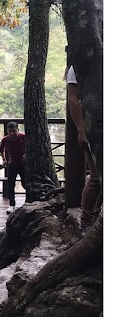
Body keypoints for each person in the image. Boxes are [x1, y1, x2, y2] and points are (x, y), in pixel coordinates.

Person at [66, 64, 101, 232]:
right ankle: (86, 224)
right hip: (92, 129)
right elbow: (73, 99)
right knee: (96, 178)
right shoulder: (78, 65)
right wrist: (81, 130)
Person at [0, 121, 26, 213]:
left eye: (14, 131)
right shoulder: (5, 140)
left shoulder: (24, 137)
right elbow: (1, 149)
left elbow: (31, 146)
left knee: (26, 184)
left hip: (24, 166)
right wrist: (4, 159)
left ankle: (28, 202)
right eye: (10, 131)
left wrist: (27, 154)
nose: (12, 133)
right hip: (12, 165)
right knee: (10, 185)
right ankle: (12, 205)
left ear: (18, 130)